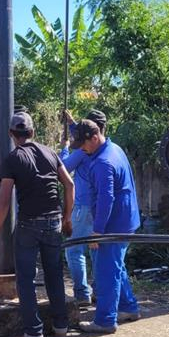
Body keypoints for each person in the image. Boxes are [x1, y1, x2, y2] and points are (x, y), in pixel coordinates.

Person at [0, 111, 75, 337]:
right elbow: (69, 184)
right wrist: (67, 218)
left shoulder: (12, 159)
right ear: (33, 133)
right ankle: (61, 327)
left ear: (10, 134)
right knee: (54, 274)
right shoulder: (50, 152)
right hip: (54, 222)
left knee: (25, 280)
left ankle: (34, 335)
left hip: (29, 225)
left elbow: (4, 201)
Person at [72, 119, 141, 334]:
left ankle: (105, 320)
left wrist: (98, 231)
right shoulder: (114, 148)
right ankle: (128, 307)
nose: (82, 149)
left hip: (113, 226)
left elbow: (106, 198)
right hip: (126, 221)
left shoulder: (103, 162)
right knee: (116, 266)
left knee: (106, 271)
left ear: (94, 138)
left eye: (84, 144)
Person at [57, 109, 108, 306]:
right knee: (95, 249)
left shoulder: (81, 152)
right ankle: (98, 291)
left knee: (73, 250)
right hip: (97, 207)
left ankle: (81, 293)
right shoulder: (104, 147)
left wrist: (65, 148)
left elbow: (63, 167)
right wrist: (71, 124)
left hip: (83, 207)